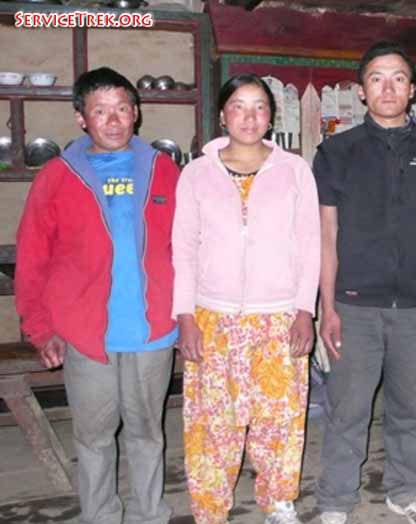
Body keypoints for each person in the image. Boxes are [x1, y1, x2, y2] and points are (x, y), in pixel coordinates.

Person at [15, 67, 180, 524]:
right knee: (93, 440)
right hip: (87, 335)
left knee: (147, 436)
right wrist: (40, 328)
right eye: (100, 111)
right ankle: (101, 517)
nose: (113, 120)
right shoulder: (57, 176)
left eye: (122, 109)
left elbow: (189, 247)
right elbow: (32, 257)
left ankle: (151, 515)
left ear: (136, 113)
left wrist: (187, 316)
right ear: (80, 119)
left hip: (152, 332)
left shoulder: (164, 171)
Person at [314, 41, 416, 524]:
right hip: (355, 305)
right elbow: (326, 234)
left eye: (398, 78)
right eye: (377, 78)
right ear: (362, 91)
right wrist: (327, 307)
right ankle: (336, 499)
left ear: (412, 90)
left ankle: (406, 489)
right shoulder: (336, 152)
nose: (388, 87)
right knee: (348, 408)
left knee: (409, 406)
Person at [172, 73, 320, 524]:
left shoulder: (295, 171)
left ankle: (278, 502)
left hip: (278, 317)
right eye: (238, 105)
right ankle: (210, 511)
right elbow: (184, 248)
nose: (249, 116)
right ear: (223, 114)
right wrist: (185, 316)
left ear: (271, 117)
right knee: (212, 423)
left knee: (279, 419)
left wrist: (305, 310)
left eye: (259, 107)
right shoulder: (197, 174)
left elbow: (310, 245)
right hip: (213, 318)